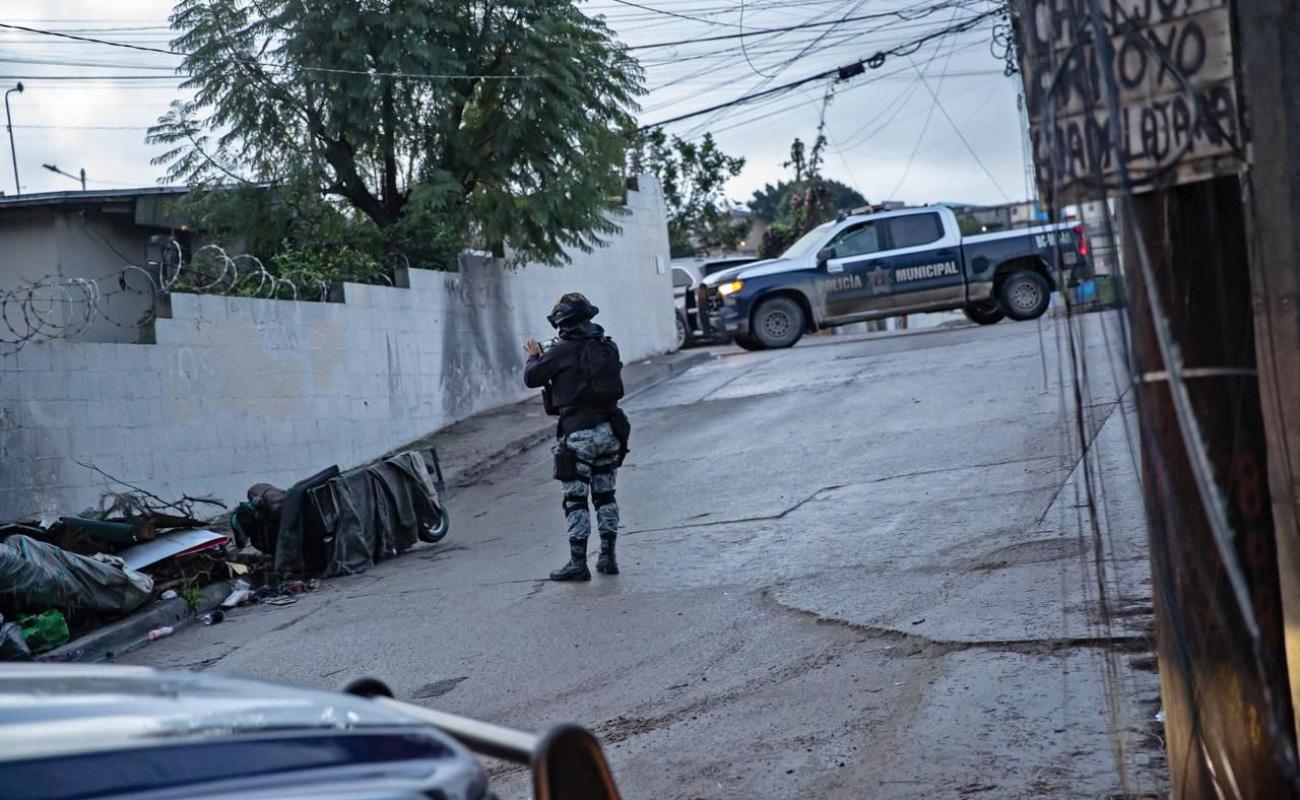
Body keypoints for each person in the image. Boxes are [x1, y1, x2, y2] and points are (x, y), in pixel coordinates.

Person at [523, 293, 631, 581]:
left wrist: (534, 357)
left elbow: (532, 378)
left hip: (579, 433)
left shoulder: (562, 350)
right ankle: (608, 557)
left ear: (562, 323)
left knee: (576, 500)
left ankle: (578, 564)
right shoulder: (609, 346)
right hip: (610, 430)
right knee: (606, 495)